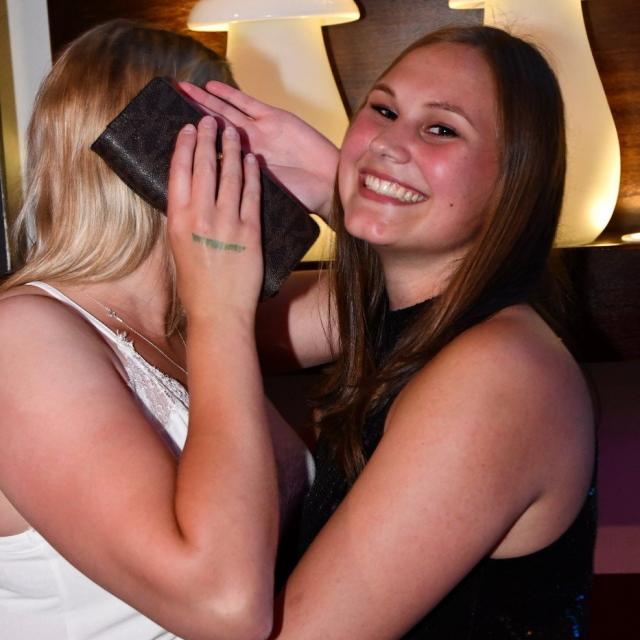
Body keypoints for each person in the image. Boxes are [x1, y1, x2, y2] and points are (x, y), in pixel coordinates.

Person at [177, 25, 597, 638]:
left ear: (516, 179)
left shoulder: (499, 373)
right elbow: (173, 332)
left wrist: (219, 307)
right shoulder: (404, 312)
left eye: (441, 129)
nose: (387, 142)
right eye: (383, 110)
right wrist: (344, 185)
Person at [0, 20, 311, 639]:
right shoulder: (21, 340)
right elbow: (224, 608)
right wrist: (220, 313)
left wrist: (334, 186)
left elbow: (423, 304)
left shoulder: (189, 318)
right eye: (231, 138)